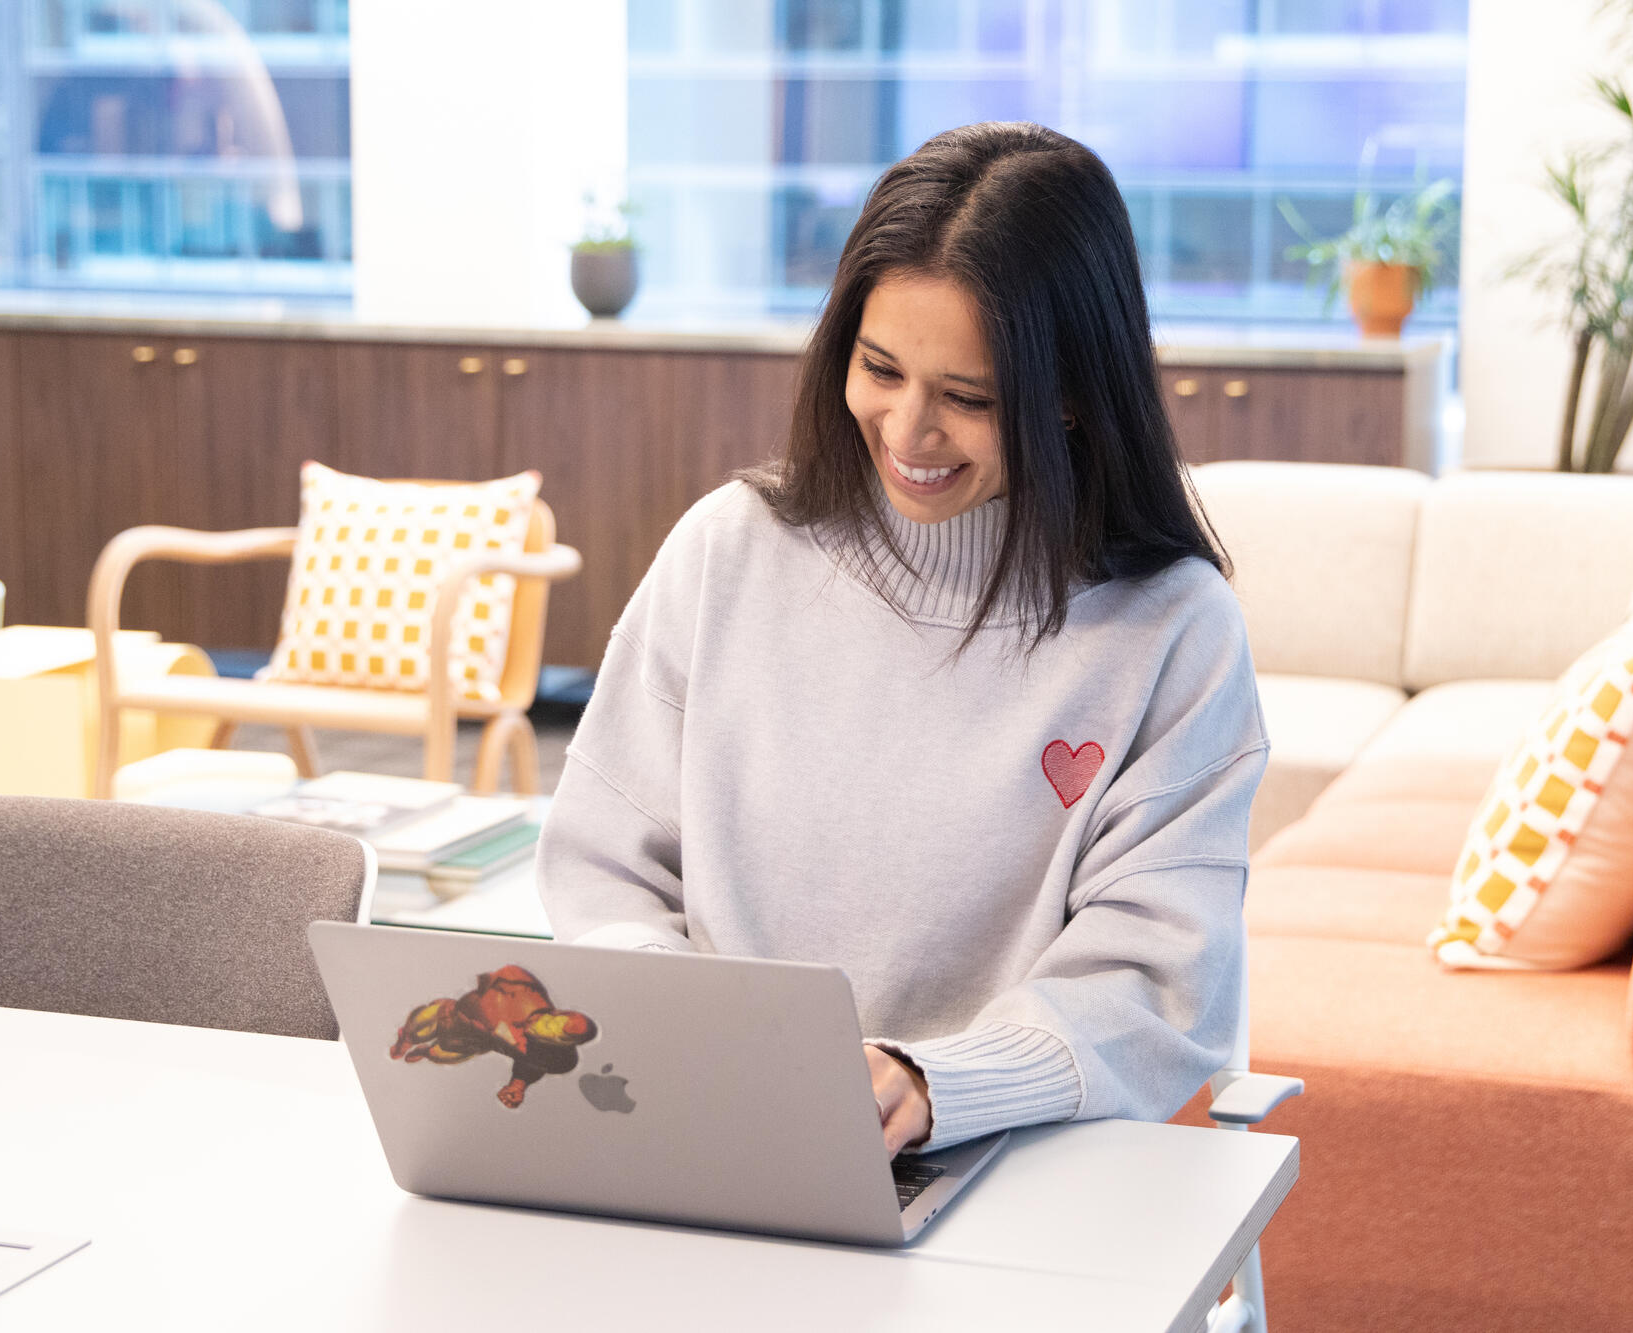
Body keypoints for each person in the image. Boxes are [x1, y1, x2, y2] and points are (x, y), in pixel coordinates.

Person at [537, 121, 1269, 1159]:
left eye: (968, 398)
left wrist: (932, 1083)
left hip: (1011, 1154)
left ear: (1069, 396)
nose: (906, 432)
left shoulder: (1170, 630)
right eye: (879, 368)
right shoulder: (727, 550)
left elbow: (1155, 980)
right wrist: (686, 1033)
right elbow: (606, 862)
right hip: (707, 1128)